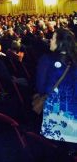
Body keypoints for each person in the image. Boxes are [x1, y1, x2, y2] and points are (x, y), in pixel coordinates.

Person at [36, 28, 77, 160]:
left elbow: (41, 88)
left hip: (54, 114)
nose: (50, 40)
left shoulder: (46, 60)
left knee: (56, 149)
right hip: (73, 113)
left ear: (60, 42)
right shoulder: (74, 60)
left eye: (53, 38)